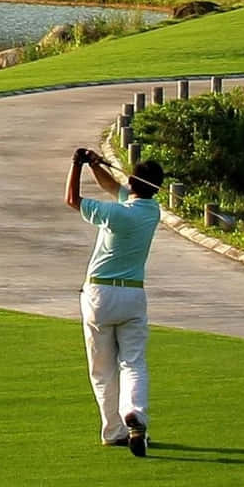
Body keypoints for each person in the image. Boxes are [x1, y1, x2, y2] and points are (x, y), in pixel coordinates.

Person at [65, 147, 164, 457]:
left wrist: (77, 165)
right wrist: (95, 164)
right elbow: (112, 187)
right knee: (133, 362)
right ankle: (135, 414)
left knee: (102, 368)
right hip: (133, 294)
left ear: (133, 183)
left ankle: (114, 431)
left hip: (100, 295)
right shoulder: (152, 211)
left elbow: (72, 200)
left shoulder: (115, 214)